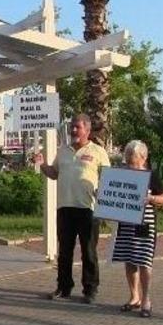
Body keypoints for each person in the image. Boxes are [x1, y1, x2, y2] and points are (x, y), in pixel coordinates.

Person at [33, 114, 110, 304]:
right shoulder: (63, 151)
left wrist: (104, 192)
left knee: (89, 251)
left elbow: (109, 178)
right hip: (65, 208)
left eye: (77, 127)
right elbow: (54, 173)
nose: (73, 130)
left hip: (88, 209)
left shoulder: (98, 151)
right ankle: (64, 287)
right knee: (65, 251)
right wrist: (42, 164)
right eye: (72, 127)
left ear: (87, 130)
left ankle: (90, 289)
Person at [111, 140, 163, 318]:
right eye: (128, 159)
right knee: (129, 259)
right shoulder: (121, 174)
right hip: (126, 223)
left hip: (144, 224)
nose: (130, 163)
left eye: (133, 159)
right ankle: (134, 296)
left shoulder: (151, 176)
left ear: (143, 158)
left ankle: (146, 299)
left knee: (144, 260)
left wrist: (150, 198)